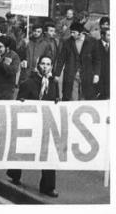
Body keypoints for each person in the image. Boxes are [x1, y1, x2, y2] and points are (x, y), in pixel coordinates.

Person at [7, 56, 60, 197]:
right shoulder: (28, 83)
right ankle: (14, 173)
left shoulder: (53, 84)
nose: (45, 67)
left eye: (48, 64)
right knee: (23, 148)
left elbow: (56, 102)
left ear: (51, 67)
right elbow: (19, 104)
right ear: (38, 66)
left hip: (46, 124)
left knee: (48, 153)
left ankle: (48, 187)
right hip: (30, 123)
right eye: (43, 64)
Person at [54, 22, 100, 101]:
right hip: (71, 74)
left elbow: (97, 60)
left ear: (81, 32)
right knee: (71, 98)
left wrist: (96, 74)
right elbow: (61, 59)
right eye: (71, 32)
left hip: (87, 74)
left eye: (74, 32)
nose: (72, 34)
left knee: (85, 97)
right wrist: (57, 74)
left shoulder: (92, 42)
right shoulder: (67, 43)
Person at [97, 28, 110, 99]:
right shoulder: (95, 45)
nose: (110, 37)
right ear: (102, 35)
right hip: (99, 78)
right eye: (108, 35)